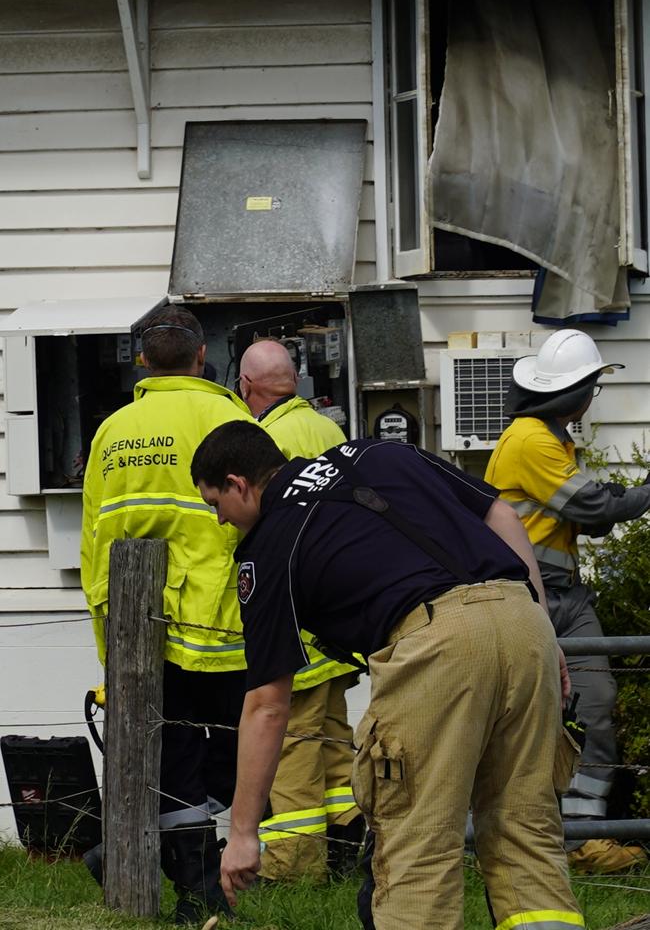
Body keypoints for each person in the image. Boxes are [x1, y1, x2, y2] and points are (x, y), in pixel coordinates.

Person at [190, 421, 584, 930]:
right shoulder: (378, 453)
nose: (221, 521)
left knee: (418, 848)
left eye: (215, 504)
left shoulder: (269, 548)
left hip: (433, 644)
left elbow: (268, 704)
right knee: (526, 831)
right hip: (522, 618)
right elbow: (500, 513)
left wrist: (243, 833)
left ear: (238, 483)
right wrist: (545, 632)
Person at [81, 305, 256, 925]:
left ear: (141, 361)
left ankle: (185, 879)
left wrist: (108, 640)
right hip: (222, 629)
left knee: (172, 760)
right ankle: (202, 887)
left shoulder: (111, 432)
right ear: (202, 356)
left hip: (139, 636)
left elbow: (94, 543)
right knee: (228, 758)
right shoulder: (229, 418)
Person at [485, 328, 650, 875]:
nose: (593, 397)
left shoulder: (554, 439)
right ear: (574, 391)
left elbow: (585, 515)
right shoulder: (530, 440)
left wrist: (607, 508)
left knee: (595, 706)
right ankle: (521, 840)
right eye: (593, 386)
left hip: (566, 596)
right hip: (525, 597)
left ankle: (583, 838)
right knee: (526, 723)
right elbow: (593, 506)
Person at [237, 338, 364, 882]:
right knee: (335, 742)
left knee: (294, 746)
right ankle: (356, 835)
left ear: (245, 387)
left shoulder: (263, 441)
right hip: (339, 618)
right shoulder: (328, 429)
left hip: (297, 621)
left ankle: (293, 866)